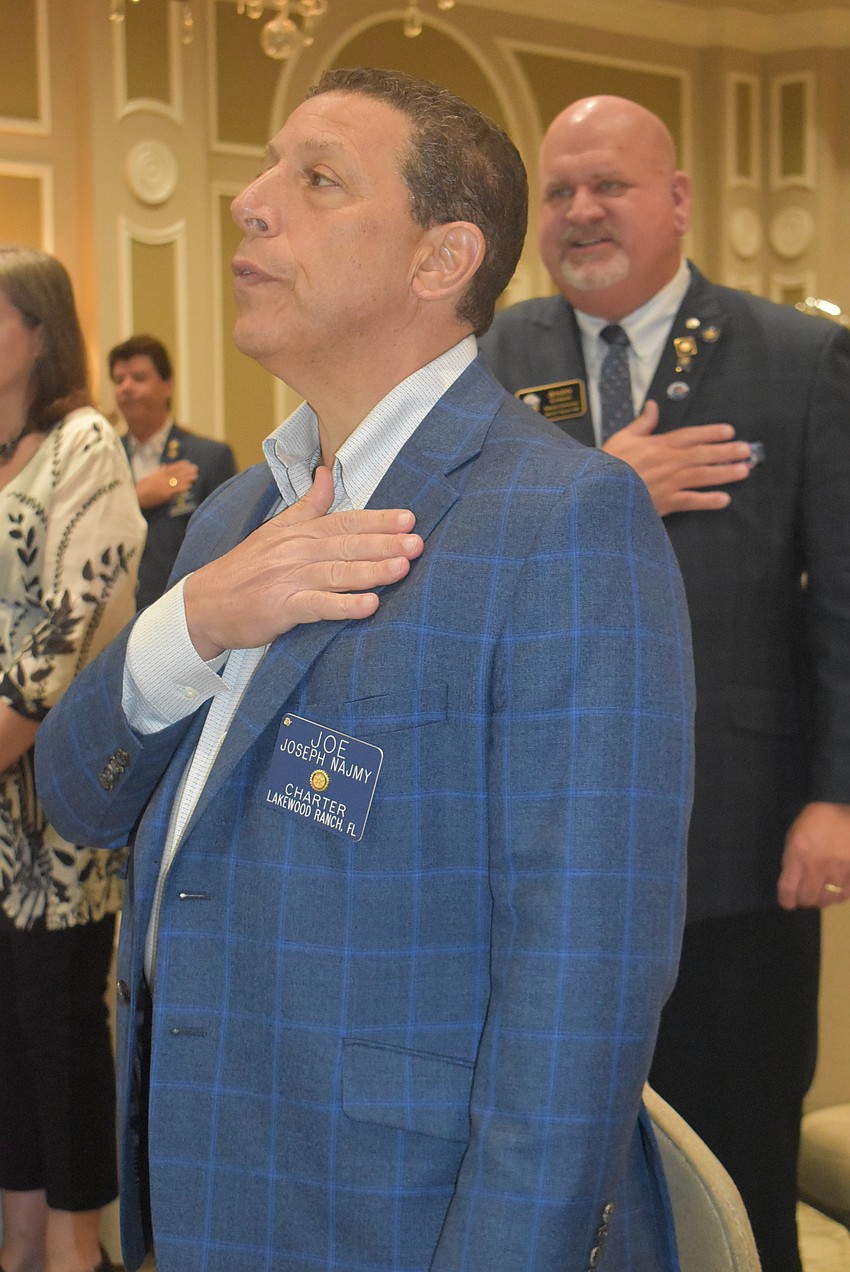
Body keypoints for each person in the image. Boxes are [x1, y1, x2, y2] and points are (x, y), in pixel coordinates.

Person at [36, 70, 694, 1272]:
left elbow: (583, 982)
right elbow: (77, 793)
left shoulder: (562, 520)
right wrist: (192, 622)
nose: (249, 203)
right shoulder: (237, 515)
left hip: (397, 1214)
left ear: (442, 258)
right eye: (268, 167)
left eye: (318, 179)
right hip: (202, 1189)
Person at [478, 94, 850, 1272]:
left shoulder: (797, 358)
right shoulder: (486, 356)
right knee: (555, 1168)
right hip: (532, 839)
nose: (581, 212)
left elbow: (844, 595)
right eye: (560, 191)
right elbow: (437, 553)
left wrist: (836, 796)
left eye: (611, 186)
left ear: (677, 199)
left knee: (738, 1161)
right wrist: (600, 483)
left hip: (740, 845)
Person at [0, 247, 146, 1272]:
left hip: (55, 801)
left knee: (59, 1035)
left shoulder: (84, 442)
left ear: (39, 330)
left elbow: (65, 623)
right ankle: (17, 1239)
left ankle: (73, 1253)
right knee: (5, 1044)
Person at [108, 334, 237, 609]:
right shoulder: (102, 459)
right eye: (119, 380)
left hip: (180, 615)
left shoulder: (208, 458)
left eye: (139, 378)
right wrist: (135, 498)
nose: (126, 388)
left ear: (168, 385)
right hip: (114, 618)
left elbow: (225, 550)